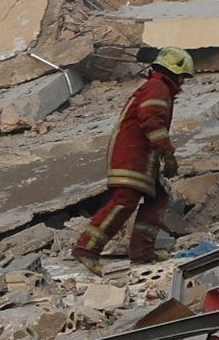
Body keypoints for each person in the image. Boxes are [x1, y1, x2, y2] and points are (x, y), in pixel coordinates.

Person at [71, 47, 191, 263]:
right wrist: (167, 153)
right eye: (182, 77)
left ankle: (142, 253)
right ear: (174, 72)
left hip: (143, 158)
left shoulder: (157, 87)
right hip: (133, 155)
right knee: (125, 200)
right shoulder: (157, 88)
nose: (183, 83)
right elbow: (152, 120)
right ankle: (87, 249)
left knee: (159, 197)